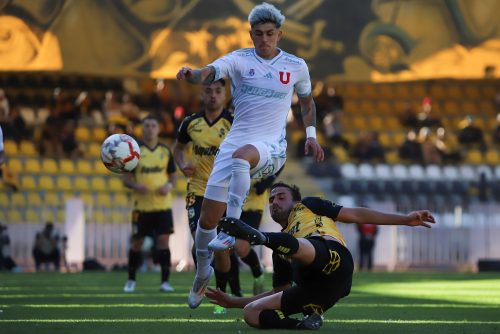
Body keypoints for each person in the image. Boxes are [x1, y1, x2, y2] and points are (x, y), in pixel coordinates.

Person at [176, 2, 324, 309]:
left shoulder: (296, 65)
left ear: (280, 34)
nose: (264, 39)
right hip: (235, 143)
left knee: (242, 158)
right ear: (251, 34)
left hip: (271, 146)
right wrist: (191, 74)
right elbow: (209, 72)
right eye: (258, 34)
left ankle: (231, 230)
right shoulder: (239, 60)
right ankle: (203, 272)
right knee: (205, 225)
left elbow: (307, 103)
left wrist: (311, 137)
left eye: (270, 33)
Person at [206, 182, 436, 330]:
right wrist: (233, 302)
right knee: (252, 313)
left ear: (295, 200)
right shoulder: (281, 247)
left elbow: (355, 214)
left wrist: (404, 219)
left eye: (281, 196)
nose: (275, 202)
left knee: (299, 245)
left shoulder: (308, 205)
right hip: (318, 293)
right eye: (271, 200)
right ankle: (304, 325)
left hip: (335, 261)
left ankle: (257, 236)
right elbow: (279, 292)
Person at [173, 79, 268, 313]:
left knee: (223, 248)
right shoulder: (190, 123)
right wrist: (183, 163)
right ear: (202, 94)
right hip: (198, 191)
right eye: (208, 91)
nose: (213, 95)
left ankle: (221, 293)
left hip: (224, 193)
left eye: (218, 91)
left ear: (226, 94)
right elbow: (177, 148)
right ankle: (203, 278)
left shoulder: (235, 122)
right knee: (199, 242)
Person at [123, 115, 177, 293]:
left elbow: (172, 175)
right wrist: (135, 185)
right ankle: (131, 280)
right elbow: (126, 178)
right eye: (146, 125)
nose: (150, 129)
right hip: (141, 207)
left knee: (163, 242)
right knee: (137, 243)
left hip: (163, 206)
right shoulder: (134, 151)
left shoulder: (165, 150)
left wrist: (168, 185)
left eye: (153, 125)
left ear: (158, 129)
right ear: (142, 128)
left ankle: (165, 282)